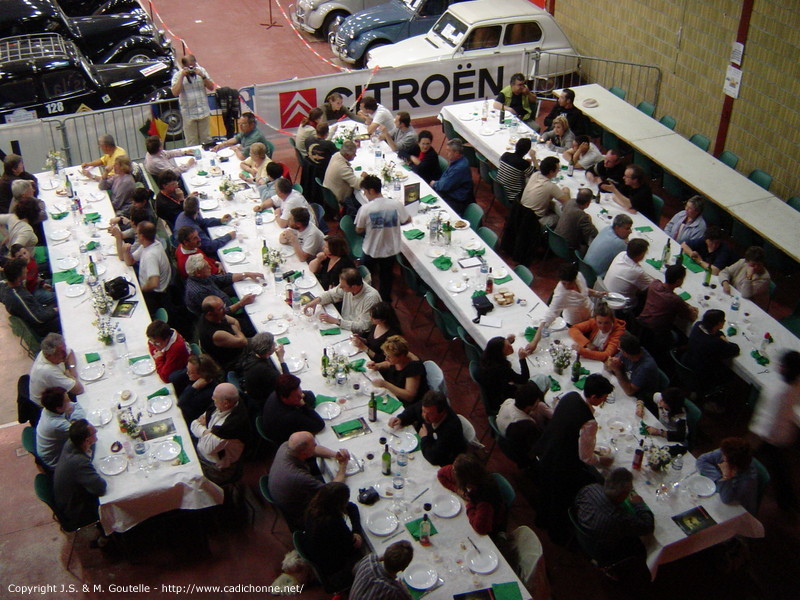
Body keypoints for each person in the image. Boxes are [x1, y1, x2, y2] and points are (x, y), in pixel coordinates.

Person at [533, 373, 615, 540]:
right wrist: (601, 460)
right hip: (561, 464)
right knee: (558, 500)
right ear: (594, 397)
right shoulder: (589, 422)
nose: (604, 401)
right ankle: (556, 535)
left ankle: (540, 520)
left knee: (545, 491)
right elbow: (586, 458)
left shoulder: (570, 396)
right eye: (603, 398)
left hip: (546, 449)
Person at [268, 431, 351, 530]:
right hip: (301, 514)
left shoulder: (286, 446)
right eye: (314, 444)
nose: (316, 445)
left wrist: (335, 455)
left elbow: (313, 450)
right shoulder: (299, 476)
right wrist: (343, 466)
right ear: (304, 454)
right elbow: (331, 490)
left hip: (285, 493)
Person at [750, 350, 800, 511]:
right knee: (779, 467)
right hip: (781, 433)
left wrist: (757, 436)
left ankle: (787, 501)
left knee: (778, 467)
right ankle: (787, 500)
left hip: (771, 436)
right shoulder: (795, 385)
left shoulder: (779, 391)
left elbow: (768, 419)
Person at [574, 468, 654, 565]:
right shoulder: (619, 518)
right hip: (602, 551)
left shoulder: (591, 488)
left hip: (581, 534)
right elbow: (647, 526)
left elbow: (577, 504)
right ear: (623, 495)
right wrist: (639, 504)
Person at [355, 175, 411, 301]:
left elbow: (358, 229)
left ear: (371, 191)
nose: (365, 195)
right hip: (390, 249)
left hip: (371, 248)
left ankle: (364, 298)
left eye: (365, 192)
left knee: (365, 276)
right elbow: (407, 219)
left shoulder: (366, 208)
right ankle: (385, 300)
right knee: (386, 277)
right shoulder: (395, 204)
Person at [301, 482, 364, 590]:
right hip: (335, 570)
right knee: (369, 554)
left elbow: (352, 507)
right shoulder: (333, 523)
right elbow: (354, 546)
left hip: (321, 556)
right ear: (338, 504)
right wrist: (357, 533)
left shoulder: (315, 507)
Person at [190, 382, 250, 484]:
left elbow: (206, 448)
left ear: (226, 403)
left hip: (216, 467)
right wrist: (205, 431)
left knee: (190, 479)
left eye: (214, 399)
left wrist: (203, 428)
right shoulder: (222, 405)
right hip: (204, 452)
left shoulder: (229, 427)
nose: (212, 401)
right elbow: (193, 424)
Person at [53, 420, 106, 531]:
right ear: (86, 440)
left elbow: (91, 448)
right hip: (78, 509)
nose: (96, 432)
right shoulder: (78, 462)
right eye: (94, 432)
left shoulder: (71, 442)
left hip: (67, 496)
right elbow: (100, 488)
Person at [438, 454, 508, 538]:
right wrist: (457, 489)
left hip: (491, 531)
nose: (451, 470)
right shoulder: (469, 473)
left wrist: (469, 504)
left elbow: (480, 528)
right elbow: (441, 474)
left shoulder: (485, 498)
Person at [389, 391, 466, 467]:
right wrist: (401, 418)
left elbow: (434, 457)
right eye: (423, 411)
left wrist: (424, 438)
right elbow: (414, 410)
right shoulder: (428, 406)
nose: (424, 416)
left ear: (442, 412)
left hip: (446, 462)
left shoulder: (450, 428)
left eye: (429, 414)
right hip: (430, 445)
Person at [110, 221, 172, 313]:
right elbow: (130, 262)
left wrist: (141, 290)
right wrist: (126, 251)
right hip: (146, 283)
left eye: (137, 233)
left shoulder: (151, 255)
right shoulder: (149, 244)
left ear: (142, 236)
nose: (136, 234)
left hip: (155, 295)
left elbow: (154, 283)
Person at [303, 268, 381, 334]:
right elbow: (331, 294)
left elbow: (364, 326)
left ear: (354, 287)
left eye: (343, 286)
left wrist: (336, 321)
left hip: (357, 333)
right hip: (344, 323)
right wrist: (314, 302)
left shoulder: (371, 298)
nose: (340, 287)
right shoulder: (348, 285)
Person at [184, 253, 262, 316]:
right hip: (226, 319)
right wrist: (241, 303)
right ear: (198, 273)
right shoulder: (199, 292)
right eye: (206, 267)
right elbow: (219, 314)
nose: (210, 267)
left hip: (226, 301)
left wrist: (246, 274)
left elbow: (223, 278)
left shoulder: (202, 277)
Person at [697, 437, 759, 515]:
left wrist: (726, 476)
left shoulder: (748, 481)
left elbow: (726, 499)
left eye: (724, 457)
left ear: (733, 466)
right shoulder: (726, 452)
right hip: (724, 493)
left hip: (739, 512)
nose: (721, 456)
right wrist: (718, 477)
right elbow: (702, 460)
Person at [0, 257, 60, 337]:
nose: (27, 271)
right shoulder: (18, 297)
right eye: (24, 272)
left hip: (41, 311)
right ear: (18, 278)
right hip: (43, 326)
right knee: (66, 309)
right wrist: (55, 310)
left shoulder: (6, 284)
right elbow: (39, 319)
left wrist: (40, 283)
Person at [681, 309, 740, 388]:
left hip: (687, 361)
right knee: (730, 374)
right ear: (719, 323)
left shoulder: (697, 325)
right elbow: (735, 349)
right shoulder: (714, 343)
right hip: (701, 374)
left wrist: (720, 335)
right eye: (723, 320)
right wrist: (724, 340)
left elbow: (716, 333)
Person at [637, 264, 699, 339]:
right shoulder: (675, 300)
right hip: (657, 335)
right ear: (678, 281)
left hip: (640, 325)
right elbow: (692, 317)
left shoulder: (655, 284)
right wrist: (694, 310)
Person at [476, 335, 533, 415]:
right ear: (500, 353)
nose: (511, 347)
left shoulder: (487, 358)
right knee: (531, 387)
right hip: (500, 400)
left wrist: (508, 341)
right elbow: (523, 379)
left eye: (510, 344)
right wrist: (522, 359)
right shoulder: (501, 368)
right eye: (507, 347)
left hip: (493, 391)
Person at [262, 374, 324, 445]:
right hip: (286, 442)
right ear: (284, 398)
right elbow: (319, 425)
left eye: (300, 390)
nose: (301, 396)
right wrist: (303, 405)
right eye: (297, 396)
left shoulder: (279, 392)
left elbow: (310, 395)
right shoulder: (289, 416)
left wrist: (299, 397)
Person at [368, 335, 429, 405]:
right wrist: (377, 366)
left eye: (389, 357)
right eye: (386, 355)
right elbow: (389, 363)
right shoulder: (398, 360)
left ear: (401, 356)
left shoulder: (414, 368)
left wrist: (385, 384)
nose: (386, 359)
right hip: (393, 395)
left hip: (407, 403)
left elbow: (409, 396)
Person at [170, 54, 216, 146]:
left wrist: (202, 76)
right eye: (189, 67)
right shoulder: (177, 75)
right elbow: (175, 92)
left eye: (193, 66)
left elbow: (211, 87)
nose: (191, 69)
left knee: (207, 141)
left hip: (203, 112)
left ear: (195, 63)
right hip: (188, 115)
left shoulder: (202, 71)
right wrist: (182, 76)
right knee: (192, 143)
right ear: (183, 66)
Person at [35, 387, 86, 469]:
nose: (69, 401)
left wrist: (73, 419)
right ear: (59, 408)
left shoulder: (49, 408)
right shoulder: (55, 424)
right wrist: (74, 422)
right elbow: (81, 431)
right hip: (56, 460)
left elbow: (76, 406)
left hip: (55, 448)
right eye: (67, 400)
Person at [196, 296, 249, 372]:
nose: (224, 310)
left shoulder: (215, 316)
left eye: (223, 306)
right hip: (236, 359)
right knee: (264, 341)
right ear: (210, 313)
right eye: (220, 309)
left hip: (236, 342)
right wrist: (237, 333)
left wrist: (237, 334)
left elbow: (234, 322)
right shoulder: (216, 334)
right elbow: (244, 342)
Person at [605, 333, 660, 406]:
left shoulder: (646, 367)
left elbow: (629, 391)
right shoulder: (628, 353)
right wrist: (610, 364)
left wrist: (617, 370)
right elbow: (607, 365)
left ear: (625, 353)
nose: (619, 351)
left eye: (619, 349)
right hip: (625, 389)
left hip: (641, 400)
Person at [29, 333, 84, 406]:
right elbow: (79, 390)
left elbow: (70, 352)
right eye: (60, 355)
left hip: (57, 389)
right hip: (50, 405)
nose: (64, 357)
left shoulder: (54, 352)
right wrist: (71, 376)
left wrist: (72, 369)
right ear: (48, 355)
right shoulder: (47, 370)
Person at [240, 332, 290, 410]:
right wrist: (281, 359)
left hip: (256, 395)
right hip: (267, 403)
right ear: (268, 351)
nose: (275, 344)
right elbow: (287, 383)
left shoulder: (252, 355)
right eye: (273, 344)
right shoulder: (264, 370)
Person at [520, 156, 570, 228]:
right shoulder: (551, 186)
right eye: (557, 169)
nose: (558, 171)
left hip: (521, 212)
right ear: (551, 172)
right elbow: (567, 202)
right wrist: (566, 191)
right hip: (534, 220)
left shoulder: (535, 174)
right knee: (558, 218)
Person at [431, 139, 474, 216]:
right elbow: (444, 180)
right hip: (450, 194)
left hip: (456, 201)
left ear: (456, 153)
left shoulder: (459, 168)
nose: (446, 153)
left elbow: (444, 186)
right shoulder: (458, 162)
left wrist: (434, 184)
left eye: (448, 151)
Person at [178, 354, 223, 425]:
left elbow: (181, 403)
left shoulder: (209, 393)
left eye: (191, 372)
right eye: (187, 369)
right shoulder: (194, 378)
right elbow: (172, 377)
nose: (187, 373)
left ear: (202, 374)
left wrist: (193, 387)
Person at [323, 141, 364, 212]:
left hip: (330, 192)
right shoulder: (343, 168)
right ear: (347, 155)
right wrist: (363, 177)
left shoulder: (336, 155)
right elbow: (358, 185)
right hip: (339, 198)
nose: (355, 155)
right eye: (354, 154)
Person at [555, 188, 598, 254]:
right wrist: (589, 219)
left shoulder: (570, 201)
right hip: (566, 246)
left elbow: (563, 209)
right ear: (588, 203)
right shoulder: (582, 216)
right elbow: (593, 233)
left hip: (555, 237)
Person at [146, 319, 190, 384]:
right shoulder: (165, 334)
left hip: (185, 373)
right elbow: (150, 344)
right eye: (153, 342)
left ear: (166, 339)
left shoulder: (176, 349)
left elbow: (165, 378)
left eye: (157, 343)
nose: (154, 346)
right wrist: (159, 355)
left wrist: (159, 359)